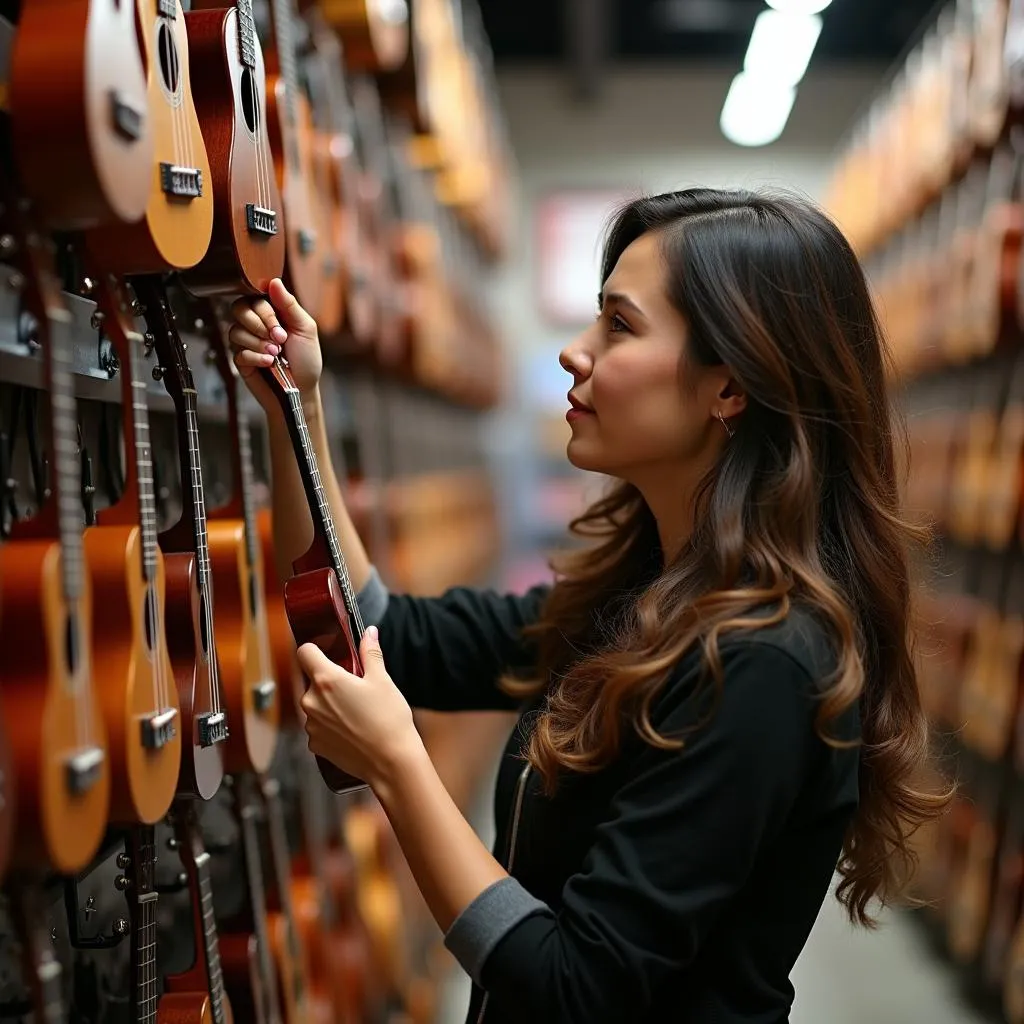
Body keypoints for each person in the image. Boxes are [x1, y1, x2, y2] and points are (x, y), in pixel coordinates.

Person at [228, 188, 949, 1024]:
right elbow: (382, 628)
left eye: (620, 325)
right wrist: (296, 409)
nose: (575, 353)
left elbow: (576, 989)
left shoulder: (767, 666)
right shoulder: (638, 602)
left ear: (730, 386)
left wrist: (398, 764)